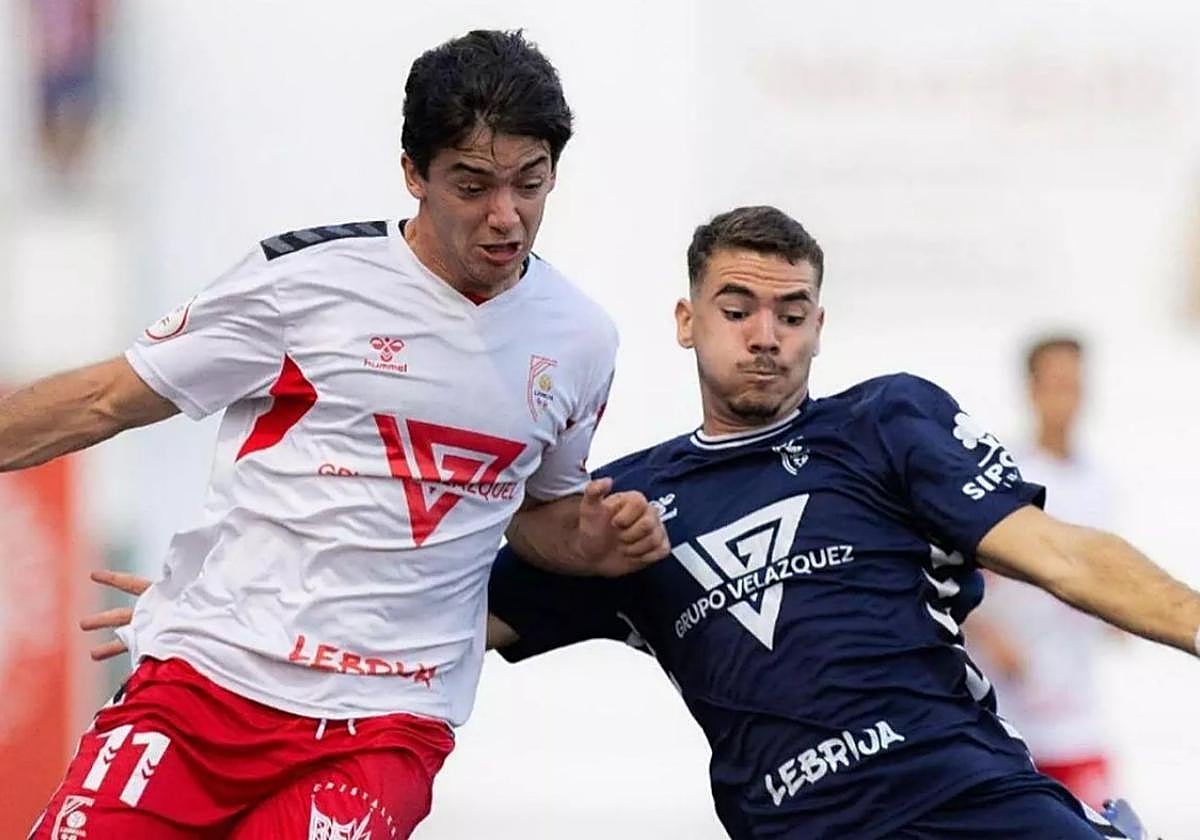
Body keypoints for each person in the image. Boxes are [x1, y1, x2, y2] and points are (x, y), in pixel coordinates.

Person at [87, 205, 1188, 838]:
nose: (766, 335)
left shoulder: (885, 422)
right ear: (684, 320)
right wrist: (232, 609)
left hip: (972, 804)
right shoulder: (618, 516)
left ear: (819, 328)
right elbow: (416, 621)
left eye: (792, 313)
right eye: (739, 306)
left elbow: (1064, 555)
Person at [3, 29, 667, 840]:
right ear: (413, 174)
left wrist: (590, 539)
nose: (507, 216)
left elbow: (538, 515)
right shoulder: (303, 286)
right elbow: (105, 399)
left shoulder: (580, 341)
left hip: (383, 725)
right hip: (206, 684)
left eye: (530, 183)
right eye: (472, 185)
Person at [965, 336, 1119, 808]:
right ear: (1031, 390)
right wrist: (992, 638)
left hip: (1077, 714)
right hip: (1010, 718)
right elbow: (954, 580)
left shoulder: (1097, 482)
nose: (1066, 398)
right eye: (1055, 384)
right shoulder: (1007, 478)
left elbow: (1105, 581)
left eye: (1074, 385)